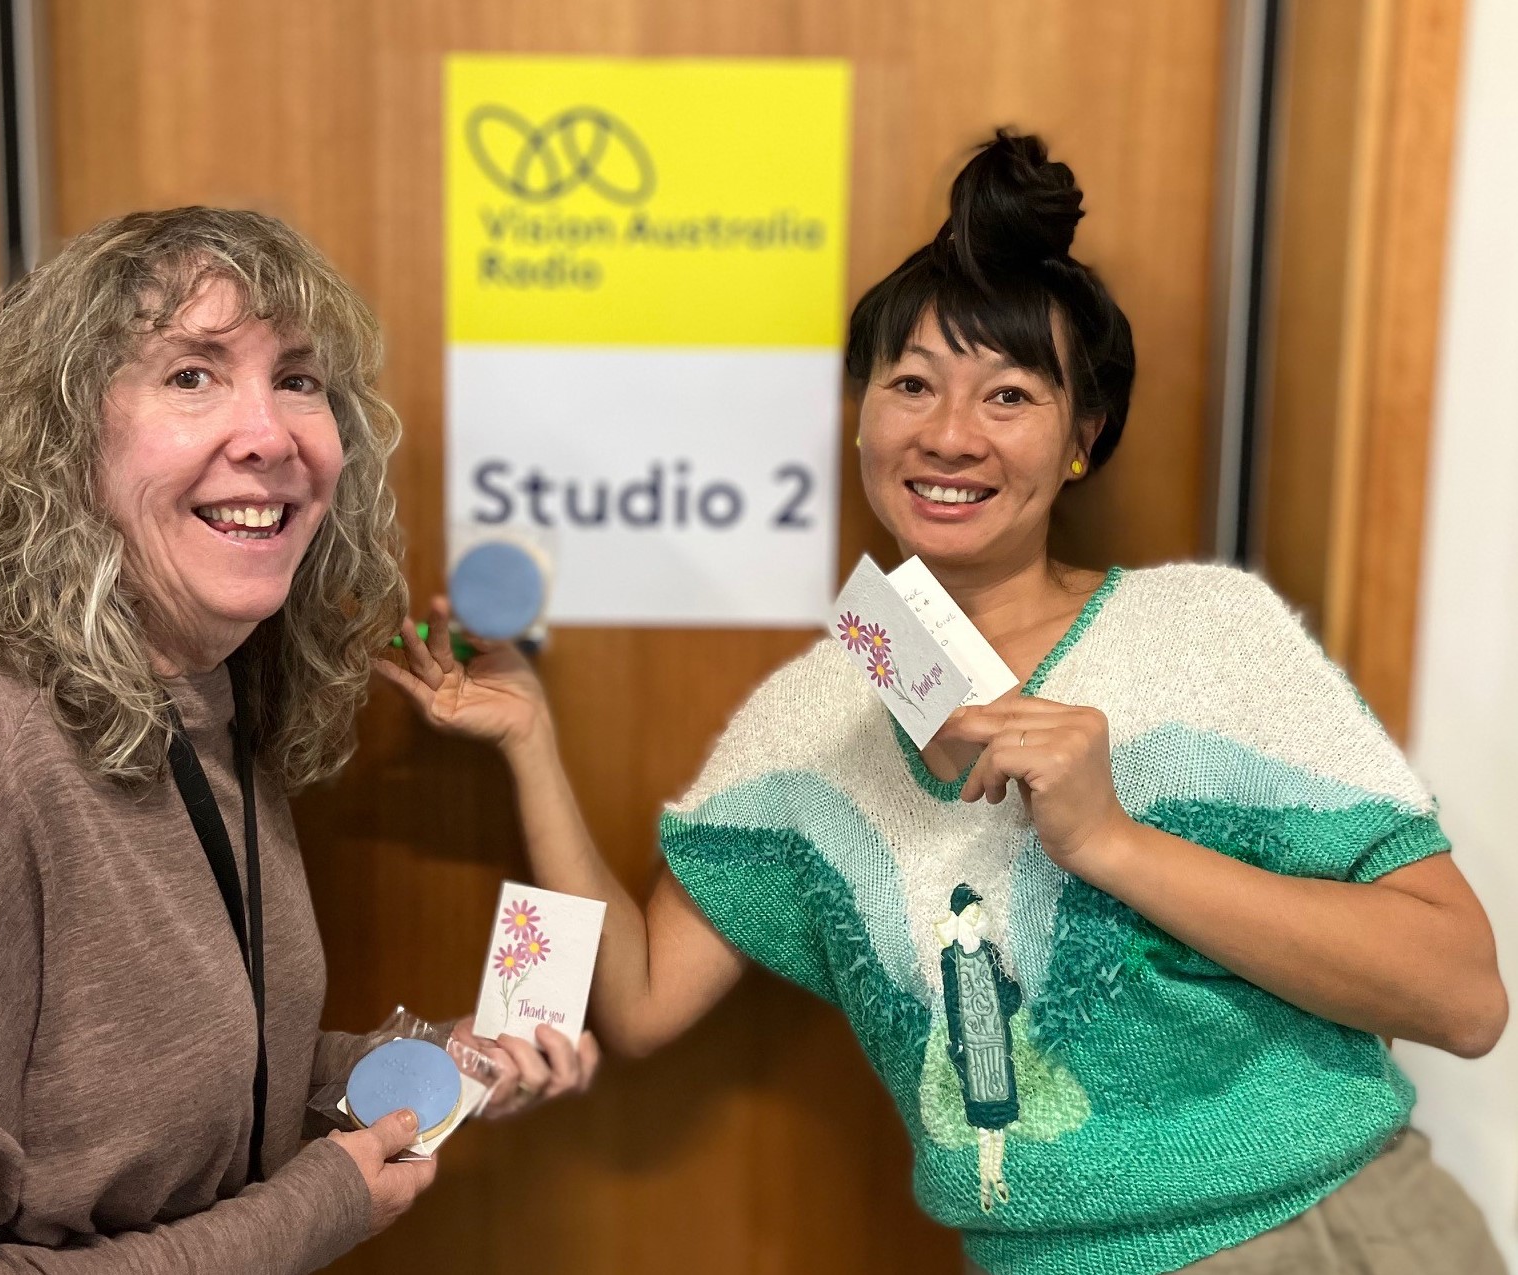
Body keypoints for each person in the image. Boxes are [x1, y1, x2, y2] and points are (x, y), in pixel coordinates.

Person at [381, 132, 1508, 1274]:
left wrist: (1111, 842)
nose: (948, 435)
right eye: (909, 384)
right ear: (861, 419)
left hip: (1331, 1239)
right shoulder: (812, 719)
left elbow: (1463, 998)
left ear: (1082, 439)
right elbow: (633, 1000)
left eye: (1008, 395)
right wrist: (528, 742)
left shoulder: (1204, 634)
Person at [0, 207, 597, 1273]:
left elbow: (145, 1104)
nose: (269, 434)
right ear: (65, 441)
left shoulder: (205, 697)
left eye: (296, 379)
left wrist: (420, 1070)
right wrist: (314, 1208)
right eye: (192, 376)